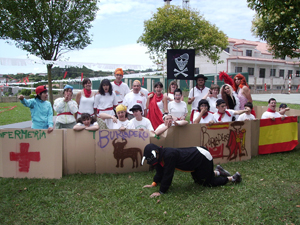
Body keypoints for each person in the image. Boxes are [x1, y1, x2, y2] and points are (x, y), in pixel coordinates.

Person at [141, 143, 242, 198]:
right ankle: (219, 172)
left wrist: (161, 192)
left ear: (157, 152)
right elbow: (160, 171)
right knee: (198, 181)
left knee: (208, 182)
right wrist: (154, 183)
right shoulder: (160, 156)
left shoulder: (168, 155)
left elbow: (168, 174)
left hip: (202, 158)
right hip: (194, 161)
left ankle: (232, 178)